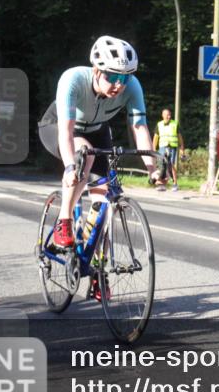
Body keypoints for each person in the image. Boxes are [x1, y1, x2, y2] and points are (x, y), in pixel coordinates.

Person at [38, 36, 160, 251]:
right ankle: (64, 220)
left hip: (97, 129)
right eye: (111, 76)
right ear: (96, 70)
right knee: (85, 154)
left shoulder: (132, 87)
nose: (119, 84)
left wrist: (153, 170)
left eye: (124, 77)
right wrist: (70, 167)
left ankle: (93, 258)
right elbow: (66, 131)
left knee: (102, 199)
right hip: (59, 126)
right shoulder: (73, 79)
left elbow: (140, 128)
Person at [152, 108, 184, 191]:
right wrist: (154, 149)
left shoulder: (175, 124)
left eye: (170, 115)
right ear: (163, 116)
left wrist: (182, 148)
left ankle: (175, 184)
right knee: (162, 165)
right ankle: (161, 184)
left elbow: (180, 137)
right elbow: (155, 138)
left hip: (172, 147)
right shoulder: (159, 124)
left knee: (171, 165)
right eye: (167, 115)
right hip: (162, 147)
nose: (169, 116)